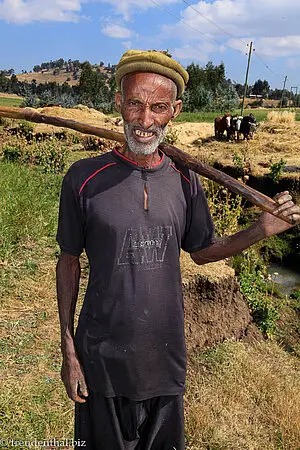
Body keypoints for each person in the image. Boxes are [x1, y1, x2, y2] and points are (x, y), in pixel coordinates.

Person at [56, 50, 300, 450]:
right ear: (118, 103)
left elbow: (202, 252)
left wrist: (262, 229)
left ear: (176, 111)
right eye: (134, 103)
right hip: (101, 361)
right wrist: (68, 349)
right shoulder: (83, 179)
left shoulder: (186, 181)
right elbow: (68, 261)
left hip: (164, 362)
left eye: (158, 107)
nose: (144, 119)